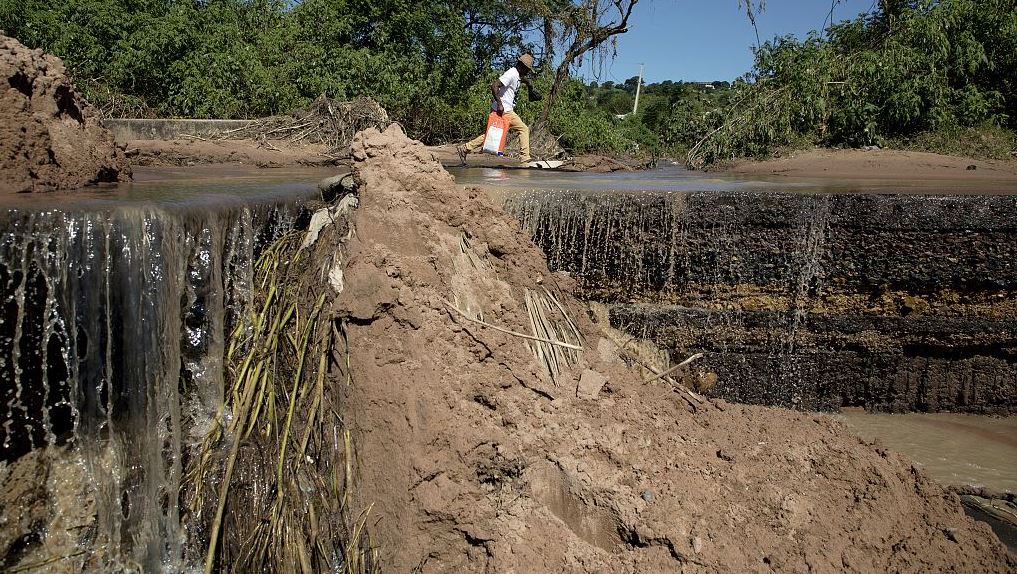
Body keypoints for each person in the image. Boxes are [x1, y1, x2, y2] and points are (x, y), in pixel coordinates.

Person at [458, 53, 541, 165]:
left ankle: (465, 148)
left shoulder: (516, 75)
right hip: (504, 110)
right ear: (522, 66)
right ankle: (525, 159)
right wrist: (499, 104)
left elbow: (521, 79)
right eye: (527, 69)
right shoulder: (511, 73)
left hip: (505, 110)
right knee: (523, 129)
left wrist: (529, 85)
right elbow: (494, 85)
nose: (528, 72)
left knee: (493, 134)